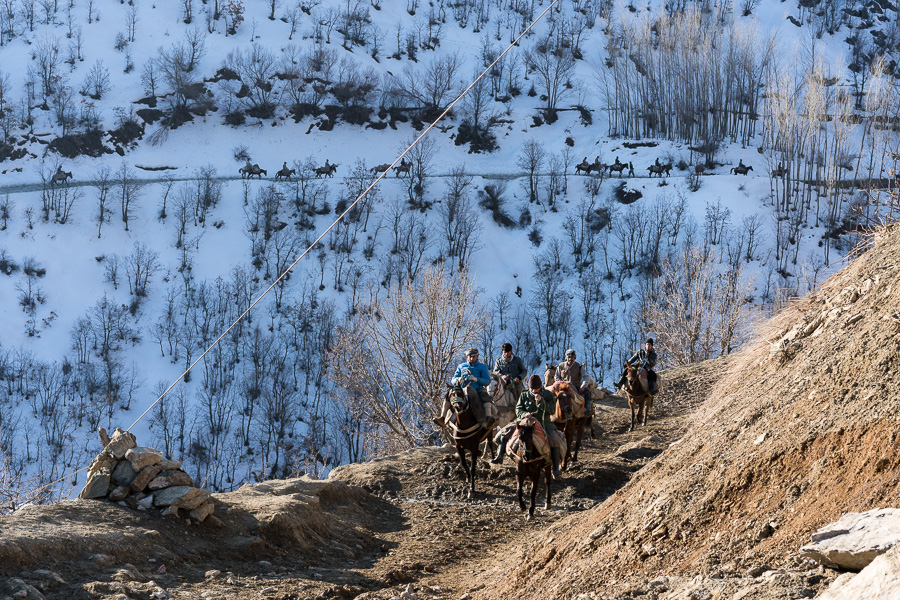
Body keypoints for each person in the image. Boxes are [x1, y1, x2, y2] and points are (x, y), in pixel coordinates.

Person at [503, 374, 564, 479]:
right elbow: (518, 409)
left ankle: (555, 468)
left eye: (536, 388)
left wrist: (541, 401)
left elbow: (552, 410)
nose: (534, 390)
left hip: (543, 422)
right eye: (532, 388)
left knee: (554, 439)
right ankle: (501, 456)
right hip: (525, 422)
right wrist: (524, 414)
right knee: (505, 432)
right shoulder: (524, 394)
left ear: (541, 386)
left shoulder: (548, 395)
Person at [435, 348, 491, 428]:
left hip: (477, 390)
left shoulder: (482, 367)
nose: (471, 358)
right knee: (449, 394)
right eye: (469, 356)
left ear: (477, 356)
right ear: (466, 356)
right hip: (462, 390)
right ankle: (442, 417)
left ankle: (488, 418)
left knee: (485, 396)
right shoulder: (461, 366)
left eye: (473, 356)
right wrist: (458, 379)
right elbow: (453, 380)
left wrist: (477, 379)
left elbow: (487, 381)